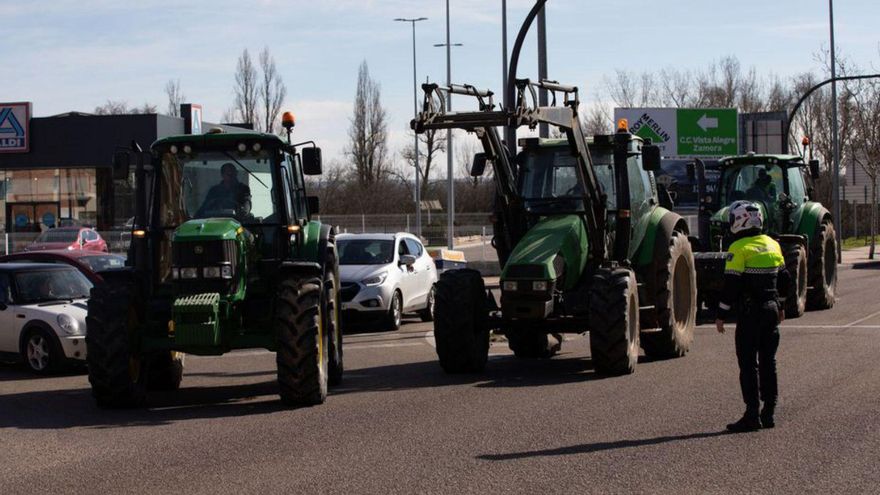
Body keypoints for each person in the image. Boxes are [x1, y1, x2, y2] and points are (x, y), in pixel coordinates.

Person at [715, 201, 791, 432]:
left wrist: (721, 314)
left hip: (750, 314)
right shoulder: (773, 244)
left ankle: (751, 415)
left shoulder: (738, 248)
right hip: (771, 311)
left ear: (740, 221)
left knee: (749, 365)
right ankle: (769, 412)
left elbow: (732, 286)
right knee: (769, 362)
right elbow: (785, 279)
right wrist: (781, 305)